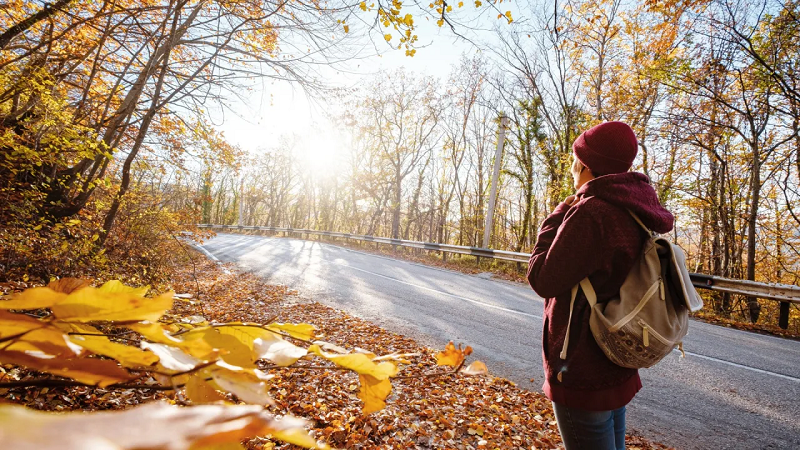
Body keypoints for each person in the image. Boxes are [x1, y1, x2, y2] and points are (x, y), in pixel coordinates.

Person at [526, 121, 674, 450]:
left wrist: (559, 212)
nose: (571, 168)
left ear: (586, 166)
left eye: (574, 161)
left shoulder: (592, 214)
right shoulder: (633, 207)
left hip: (582, 369)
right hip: (615, 357)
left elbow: (541, 277)